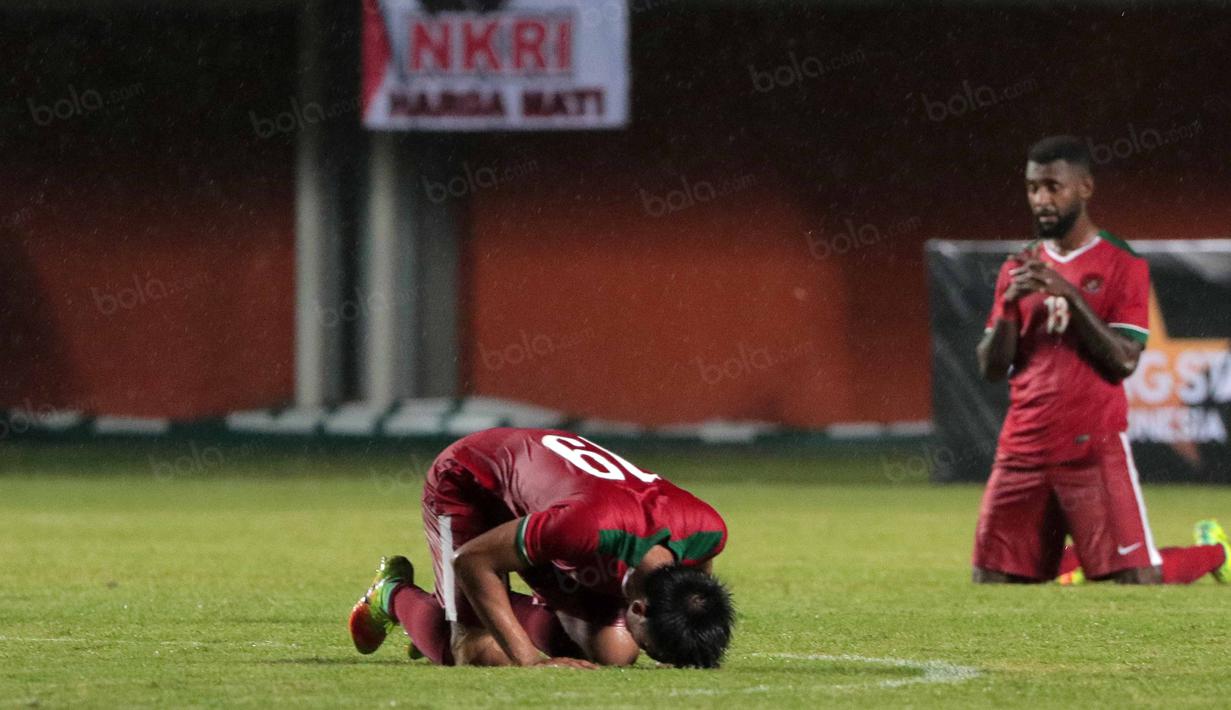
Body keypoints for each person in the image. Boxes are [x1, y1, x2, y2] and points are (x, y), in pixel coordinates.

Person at [972, 135, 1231, 585]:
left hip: (1091, 449)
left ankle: (1215, 552)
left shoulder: (1122, 264)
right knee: (993, 582)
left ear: (1086, 187)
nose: (1041, 200)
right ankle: (1072, 561)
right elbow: (991, 368)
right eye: (1034, 188)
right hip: (1022, 452)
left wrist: (1069, 294)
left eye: (1054, 187)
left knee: (1135, 580)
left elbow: (1124, 361)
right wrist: (1011, 307)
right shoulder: (1019, 268)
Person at [347, 427, 734, 668]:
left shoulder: (708, 531)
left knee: (614, 651)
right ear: (638, 607)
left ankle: (454, 611)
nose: (650, 655)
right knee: (473, 650)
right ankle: (392, 595)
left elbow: (697, 587)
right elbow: (472, 560)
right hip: (473, 482)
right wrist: (529, 661)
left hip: (554, 508)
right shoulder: (586, 528)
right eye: (654, 650)